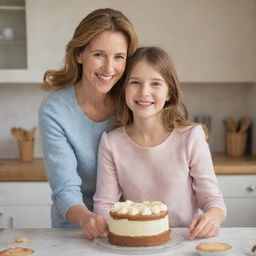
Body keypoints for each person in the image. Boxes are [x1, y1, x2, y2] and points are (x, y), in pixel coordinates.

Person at [93, 47, 226, 240]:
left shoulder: (190, 137)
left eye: (155, 83)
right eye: (135, 82)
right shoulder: (111, 143)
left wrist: (212, 217)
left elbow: (213, 199)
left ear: (169, 92)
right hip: (134, 244)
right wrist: (107, 228)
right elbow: (104, 205)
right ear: (124, 89)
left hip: (183, 241)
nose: (144, 92)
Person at [39, 8, 138, 240]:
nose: (109, 68)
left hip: (129, 227)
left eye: (119, 57)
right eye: (99, 55)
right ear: (79, 54)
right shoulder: (55, 110)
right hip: (74, 230)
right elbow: (65, 188)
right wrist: (86, 218)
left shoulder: (133, 102)